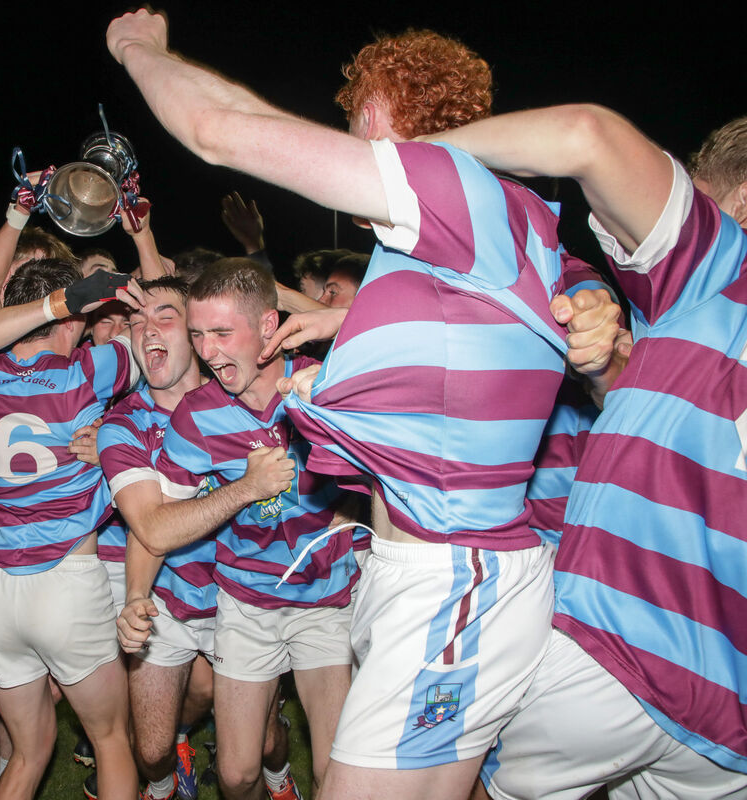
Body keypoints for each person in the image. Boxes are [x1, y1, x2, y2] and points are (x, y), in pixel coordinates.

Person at [107, 14, 578, 798]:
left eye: (360, 112)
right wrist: (350, 323)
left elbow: (219, 131)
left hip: (449, 570)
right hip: (435, 565)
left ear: (395, 112)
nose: (349, 130)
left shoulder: (443, 181)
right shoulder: (491, 220)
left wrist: (137, 48)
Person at [425, 106, 747, 798]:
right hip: (728, 725)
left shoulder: (721, 267)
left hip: (620, 653)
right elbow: (668, 417)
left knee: (454, 781)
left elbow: (585, 136)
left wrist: (406, 166)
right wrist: (605, 371)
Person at [129, 259, 361, 800]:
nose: (207, 352)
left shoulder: (325, 384)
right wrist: (135, 595)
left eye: (221, 333)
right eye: (198, 335)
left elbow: (409, 338)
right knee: (235, 775)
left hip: (324, 600)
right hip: (245, 603)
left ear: (267, 327)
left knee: (336, 774)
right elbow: (157, 525)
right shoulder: (197, 414)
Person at [101, 276, 301, 800]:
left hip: (245, 598)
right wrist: (136, 599)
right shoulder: (122, 425)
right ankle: (168, 780)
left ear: (195, 334)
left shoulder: (255, 397)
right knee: (150, 750)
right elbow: (149, 528)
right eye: (135, 323)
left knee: (262, 744)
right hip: (171, 597)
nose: (147, 332)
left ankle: (279, 779)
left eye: (164, 317)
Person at [0, 258, 139, 800]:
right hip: (64, 580)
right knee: (110, 739)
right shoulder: (88, 371)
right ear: (69, 316)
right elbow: (151, 339)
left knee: (29, 751)